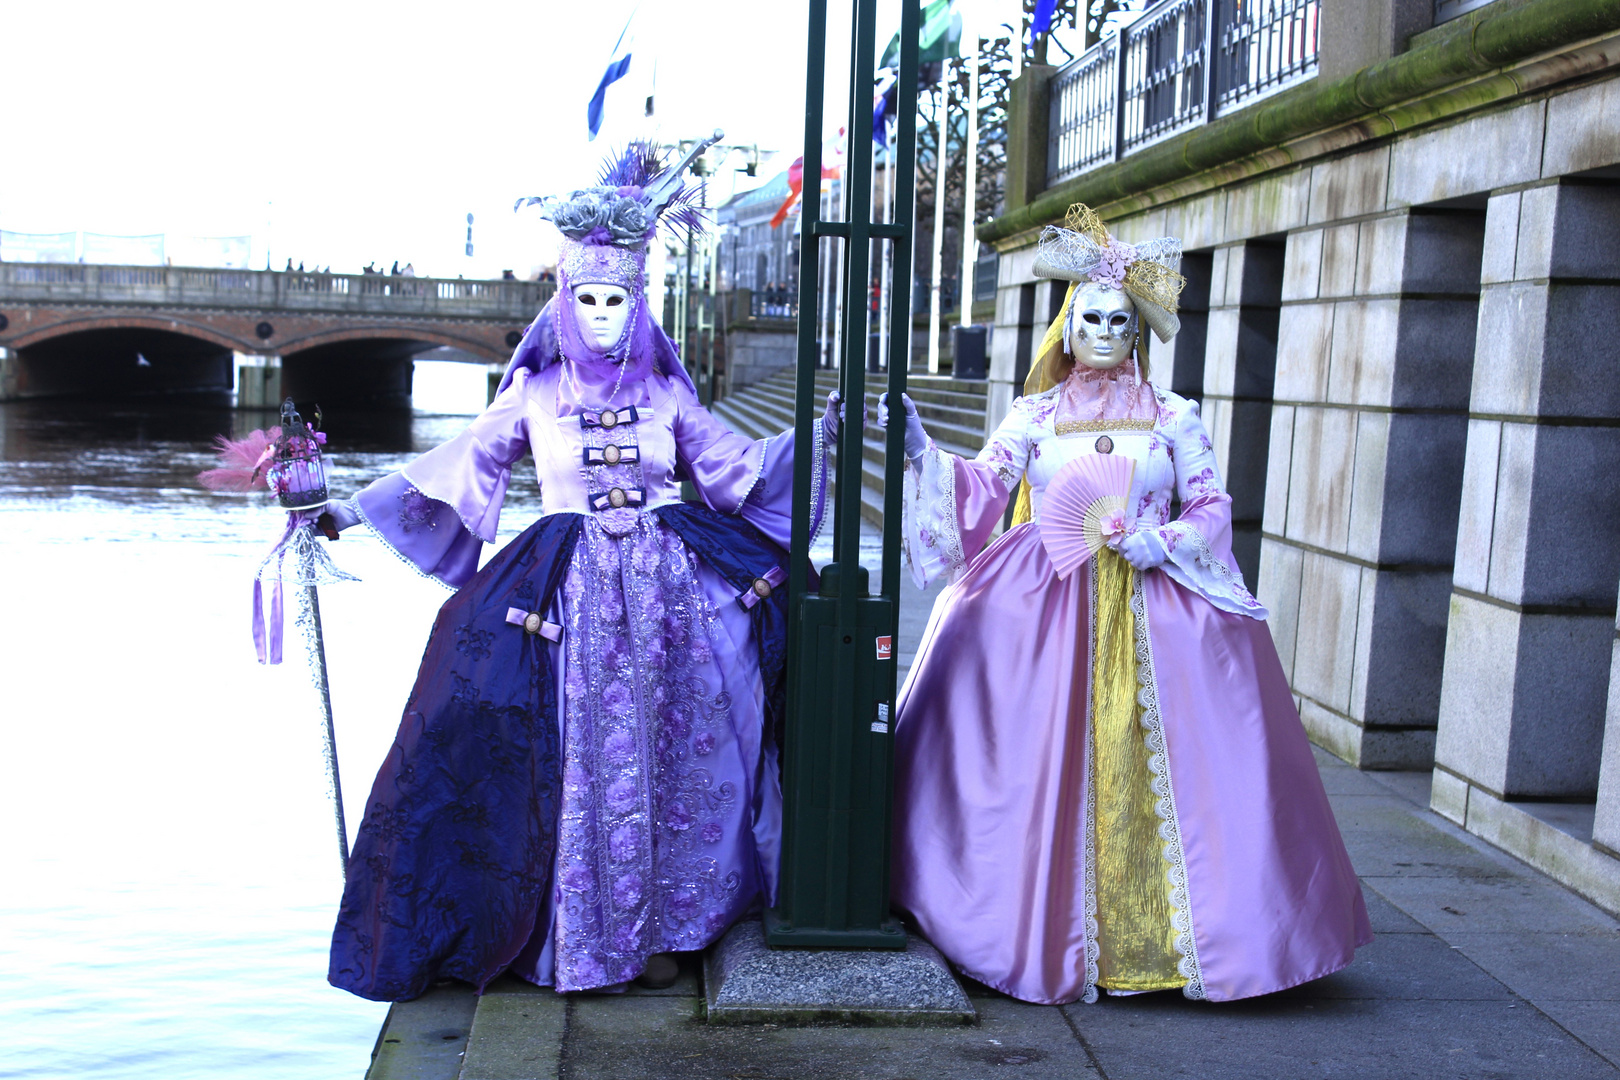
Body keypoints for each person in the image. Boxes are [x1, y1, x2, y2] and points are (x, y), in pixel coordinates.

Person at [322, 136, 845, 1002]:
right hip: (566, 594)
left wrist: (822, 439)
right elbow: (457, 466)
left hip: (671, 589)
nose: (602, 315)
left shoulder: (670, 396)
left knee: (681, 748)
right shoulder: (531, 395)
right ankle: (588, 933)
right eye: (588, 299)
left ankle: (673, 924)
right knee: (577, 755)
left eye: (618, 300)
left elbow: (732, 470)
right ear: (565, 304)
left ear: (640, 305)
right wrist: (344, 509)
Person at [880, 204, 1370, 1005]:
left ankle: (1203, 940)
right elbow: (985, 490)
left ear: (1136, 331)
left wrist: (1169, 541)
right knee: (1005, 710)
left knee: (1208, 768)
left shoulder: (1176, 417)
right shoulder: (1034, 415)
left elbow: (1212, 502)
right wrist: (921, 454)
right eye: (1090, 320)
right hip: (1047, 599)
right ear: (1068, 330)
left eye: (1118, 321)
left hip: (1159, 601)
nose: (1105, 333)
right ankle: (1012, 917)